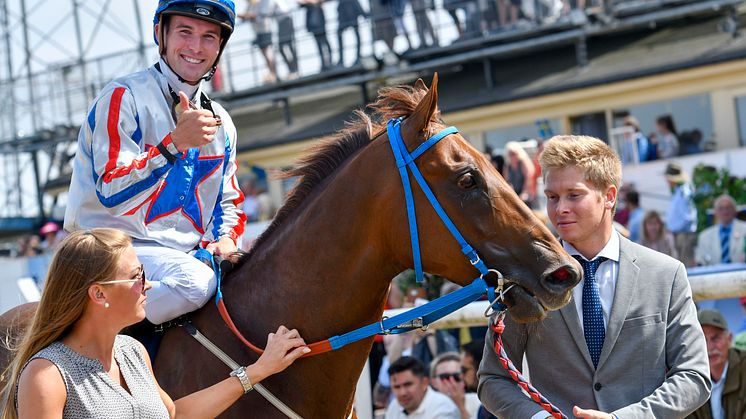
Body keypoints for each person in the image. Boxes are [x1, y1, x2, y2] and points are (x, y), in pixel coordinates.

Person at [478, 135, 710, 418]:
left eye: (574, 195)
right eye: (552, 197)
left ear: (609, 197)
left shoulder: (666, 274)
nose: (560, 208)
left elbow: (694, 376)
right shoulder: (523, 278)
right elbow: (492, 379)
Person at [64, 0, 247, 327]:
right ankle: (95, 328)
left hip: (173, 260)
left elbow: (228, 202)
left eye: (209, 37)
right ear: (160, 34)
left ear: (220, 47)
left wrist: (226, 238)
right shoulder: (123, 96)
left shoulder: (224, 124)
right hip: (107, 249)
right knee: (197, 283)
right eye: (185, 31)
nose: (195, 46)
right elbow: (111, 189)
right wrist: (174, 144)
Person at [0, 228, 309, 419]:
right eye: (137, 276)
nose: (148, 285)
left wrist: (259, 370)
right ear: (98, 293)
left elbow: (175, 415)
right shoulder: (46, 375)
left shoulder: (133, 352)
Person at [687, 309, 746, 419]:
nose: (709, 348)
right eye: (702, 341)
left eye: (715, 338)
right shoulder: (688, 376)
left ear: (729, 339)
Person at [239, 0, 298, 83]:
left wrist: (248, 16)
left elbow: (263, 15)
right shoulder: (255, 4)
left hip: (272, 26)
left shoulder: (263, 2)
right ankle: (288, 71)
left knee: (278, 49)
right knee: (278, 49)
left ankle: (291, 71)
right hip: (270, 26)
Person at [385, 356, 460, 419]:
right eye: (397, 387)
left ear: (425, 383)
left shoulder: (443, 409)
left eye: (408, 384)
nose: (403, 393)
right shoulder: (394, 406)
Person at [695, 194, 746, 266]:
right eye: (721, 208)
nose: (725, 211)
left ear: (735, 210)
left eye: (728, 208)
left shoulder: (744, 229)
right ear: (715, 212)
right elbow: (700, 261)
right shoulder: (704, 236)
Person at [664, 162, 698, 267]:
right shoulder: (680, 191)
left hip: (684, 235)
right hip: (679, 234)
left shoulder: (684, 192)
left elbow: (688, 218)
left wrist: (674, 229)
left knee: (687, 266)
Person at [430, 352, 481, 419]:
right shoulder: (426, 406)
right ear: (434, 382)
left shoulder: (477, 401)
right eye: (445, 377)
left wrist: (461, 408)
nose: (452, 382)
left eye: (456, 377)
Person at [503, 141, 536, 208]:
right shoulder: (507, 166)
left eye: (514, 153)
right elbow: (506, 181)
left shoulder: (523, 163)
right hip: (515, 194)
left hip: (526, 193)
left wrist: (524, 192)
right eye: (510, 154)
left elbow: (529, 178)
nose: (512, 156)